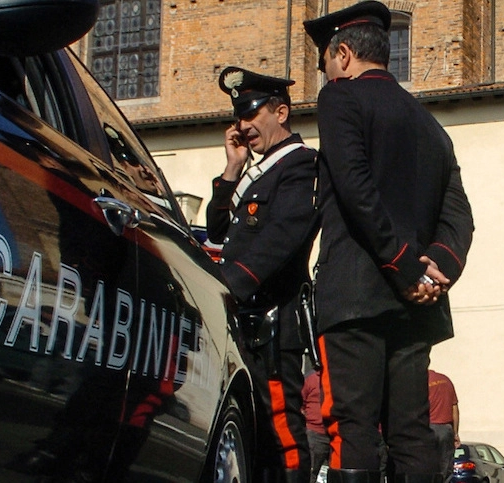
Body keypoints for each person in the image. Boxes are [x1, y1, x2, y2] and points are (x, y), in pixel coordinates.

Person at [302, 2, 474, 482]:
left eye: (326, 63)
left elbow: (356, 190)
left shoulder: (339, 98)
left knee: (351, 425)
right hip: (418, 303)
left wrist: (403, 268)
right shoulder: (429, 123)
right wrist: (434, 270)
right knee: (411, 429)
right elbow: (459, 215)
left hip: (359, 292)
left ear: (341, 55)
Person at [207, 67, 319, 483]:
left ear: (281, 112)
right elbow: (218, 231)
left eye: (252, 114)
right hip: (245, 319)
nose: (243, 126)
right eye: (239, 117)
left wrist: (228, 287)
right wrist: (232, 168)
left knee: (281, 430)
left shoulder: (301, 164)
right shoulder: (257, 170)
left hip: (274, 320)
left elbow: (283, 235)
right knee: (251, 428)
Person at [428, 369, 460, 480]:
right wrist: (456, 433)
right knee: (445, 468)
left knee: (427, 467)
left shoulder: (420, 381)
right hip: (446, 429)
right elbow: (454, 408)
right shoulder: (446, 381)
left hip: (427, 428)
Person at [302, 369, 330, 482]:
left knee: (337, 474)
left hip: (336, 434)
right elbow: (300, 402)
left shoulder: (339, 379)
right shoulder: (311, 379)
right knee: (310, 473)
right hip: (314, 434)